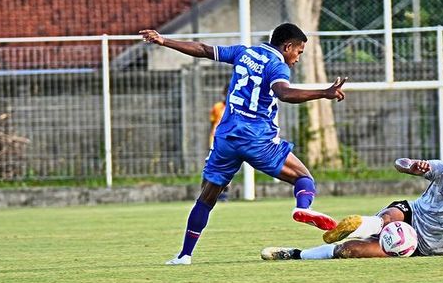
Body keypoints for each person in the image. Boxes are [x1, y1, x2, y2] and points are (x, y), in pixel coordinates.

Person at [140, 23, 348, 265]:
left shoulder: (244, 53)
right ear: (287, 46)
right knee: (304, 178)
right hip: (257, 140)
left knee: (206, 198)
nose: (297, 58)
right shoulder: (277, 65)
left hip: (226, 137)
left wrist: (163, 41)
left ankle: (184, 255)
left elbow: (203, 49)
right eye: (299, 52)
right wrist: (323, 93)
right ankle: (302, 206)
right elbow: (284, 93)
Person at [261, 138, 443, 261]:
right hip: (411, 215)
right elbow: (399, 163)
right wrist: (411, 165)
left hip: (422, 245)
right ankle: (357, 224)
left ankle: (299, 252)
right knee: (390, 215)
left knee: (351, 251)